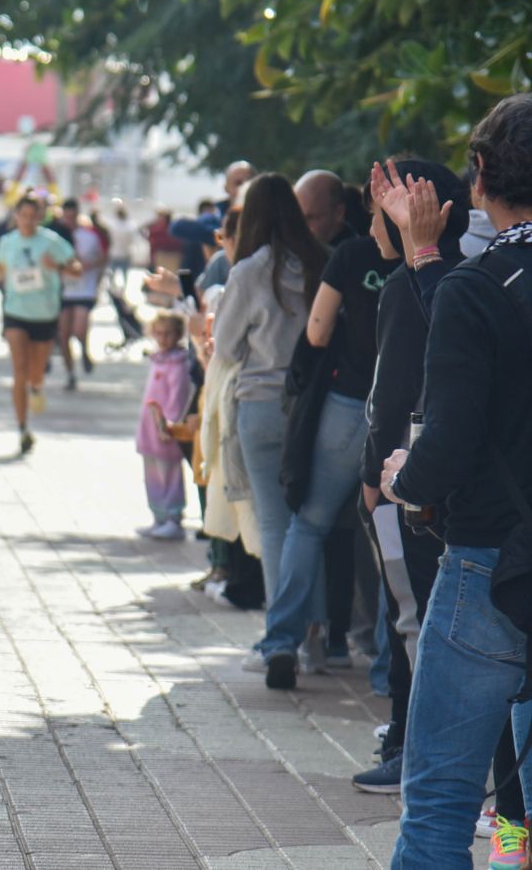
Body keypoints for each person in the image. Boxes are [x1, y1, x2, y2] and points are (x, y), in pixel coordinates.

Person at [382, 94, 532, 869]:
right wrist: (425, 256)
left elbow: (447, 438)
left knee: (440, 796)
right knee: (527, 796)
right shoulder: (475, 287)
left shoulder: (484, 284)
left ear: (480, 178)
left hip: (490, 565)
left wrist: (405, 476)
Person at [349, 160, 466, 798]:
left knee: (409, 619)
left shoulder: (408, 286)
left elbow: (389, 395)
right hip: (441, 479)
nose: (372, 226)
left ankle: (411, 744)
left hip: (403, 482)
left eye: (381, 209)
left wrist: (372, 477)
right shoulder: (464, 279)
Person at [255, 199, 405, 691]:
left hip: (345, 402)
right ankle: (389, 671)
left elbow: (317, 332)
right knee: (392, 536)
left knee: (309, 522)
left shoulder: (352, 256)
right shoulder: (430, 260)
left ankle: (281, 641)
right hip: (403, 412)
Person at [211, 174, 328, 685]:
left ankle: (281, 639)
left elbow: (226, 345)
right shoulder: (322, 263)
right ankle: (318, 637)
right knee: (313, 524)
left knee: (277, 524)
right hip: (317, 406)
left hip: (260, 403)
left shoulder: (250, 271)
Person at [0, 194, 79, 454]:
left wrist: (58, 265)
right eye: (22, 215)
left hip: (45, 313)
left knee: (36, 373)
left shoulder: (51, 241)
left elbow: (76, 268)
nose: (27, 221)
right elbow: (0, 267)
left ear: (39, 217)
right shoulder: (7, 241)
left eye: (32, 216)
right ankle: (23, 427)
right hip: (16, 311)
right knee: (19, 370)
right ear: (16, 215)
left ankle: (36, 387)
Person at [137, 313, 193, 540]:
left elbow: (177, 397)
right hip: (149, 429)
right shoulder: (157, 359)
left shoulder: (178, 363)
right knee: (152, 473)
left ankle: (173, 516)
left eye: (168, 333)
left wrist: (169, 423)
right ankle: (158, 515)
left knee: (169, 473)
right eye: (158, 333)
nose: (163, 338)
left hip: (165, 429)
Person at [57, 198, 106, 388]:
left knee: (79, 329)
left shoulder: (89, 236)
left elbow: (102, 258)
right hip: (64, 290)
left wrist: (88, 267)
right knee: (64, 335)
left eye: (72, 216)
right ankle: (70, 373)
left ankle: (84, 350)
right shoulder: (56, 236)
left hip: (84, 289)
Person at [295, 169, 355, 247]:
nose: (300, 227)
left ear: (339, 213)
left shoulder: (353, 255)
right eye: (297, 218)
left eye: (311, 218)